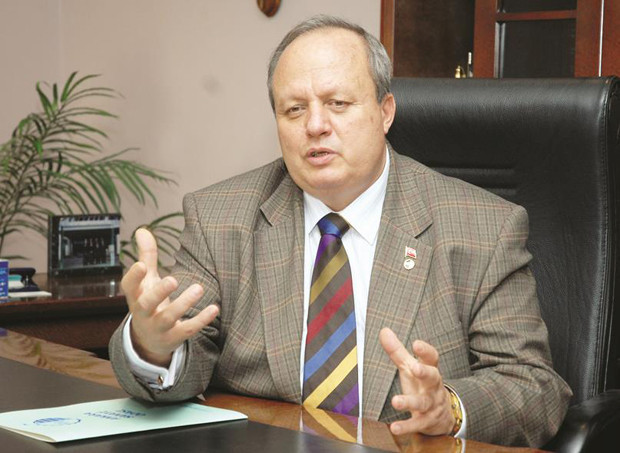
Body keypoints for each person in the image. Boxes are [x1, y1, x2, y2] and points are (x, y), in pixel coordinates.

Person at [109, 15, 571, 447]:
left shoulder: (483, 228)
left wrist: (447, 408)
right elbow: (182, 347)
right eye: (294, 109)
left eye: (338, 104)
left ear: (385, 112)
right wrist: (152, 347)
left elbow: (534, 387)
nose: (315, 126)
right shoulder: (220, 219)